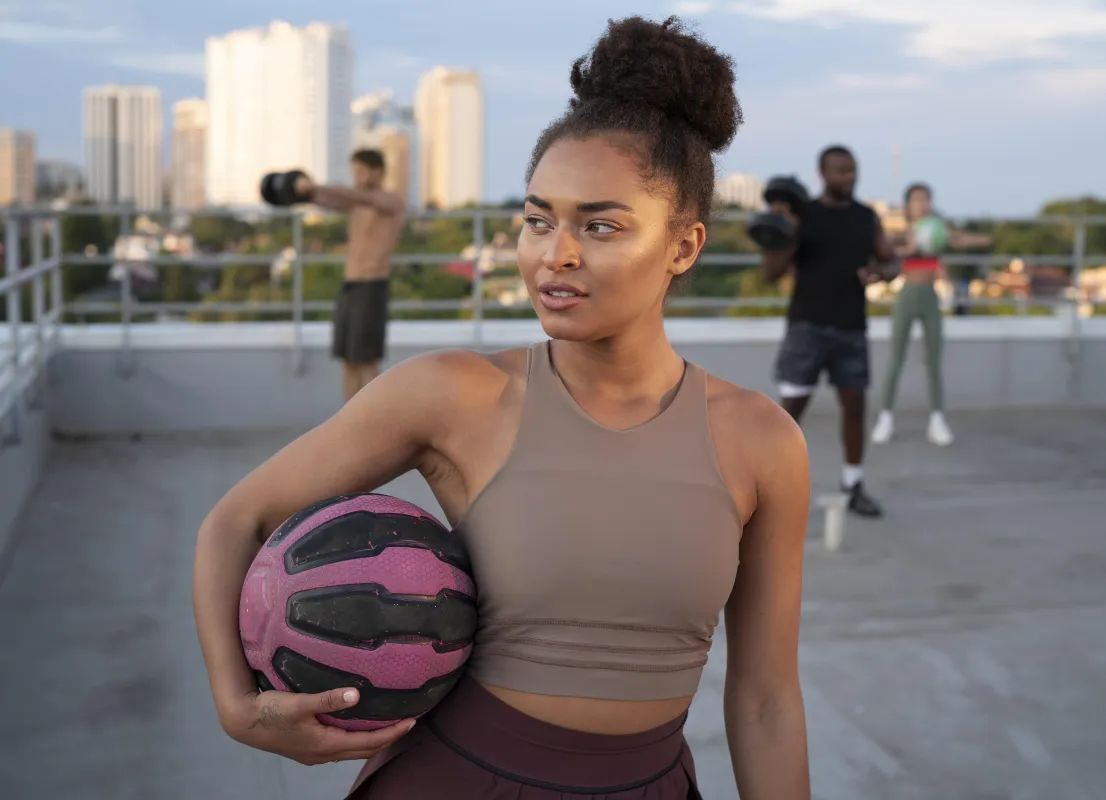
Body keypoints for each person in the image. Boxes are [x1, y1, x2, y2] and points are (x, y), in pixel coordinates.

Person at [194, 16, 811, 800]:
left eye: (601, 225)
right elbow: (234, 523)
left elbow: (764, 702)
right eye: (537, 218)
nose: (557, 253)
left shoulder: (763, 442)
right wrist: (235, 706)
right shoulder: (454, 394)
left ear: (683, 247)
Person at [760, 145, 895, 518]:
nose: (848, 177)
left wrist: (881, 272)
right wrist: (787, 233)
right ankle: (765, 489)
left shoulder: (868, 218)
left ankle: (853, 486)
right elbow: (770, 274)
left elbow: (892, 262)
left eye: (853, 170)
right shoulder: (805, 217)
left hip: (851, 327)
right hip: (807, 326)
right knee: (789, 416)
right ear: (823, 174)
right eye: (840, 171)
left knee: (854, 409)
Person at [871, 183, 991, 447]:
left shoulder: (937, 231)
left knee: (934, 360)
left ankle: (937, 419)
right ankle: (886, 417)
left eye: (926, 199)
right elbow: (886, 250)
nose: (922, 204)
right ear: (908, 205)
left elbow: (958, 239)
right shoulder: (903, 233)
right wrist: (908, 246)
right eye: (916, 199)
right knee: (896, 359)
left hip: (930, 297)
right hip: (907, 295)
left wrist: (986, 239)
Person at [293, 149, 406, 403]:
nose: (357, 176)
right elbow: (329, 199)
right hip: (350, 287)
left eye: (361, 171)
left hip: (371, 287)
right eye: (354, 171)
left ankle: (383, 423)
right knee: (348, 362)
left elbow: (355, 196)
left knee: (367, 363)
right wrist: (305, 192)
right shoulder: (356, 205)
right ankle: (349, 423)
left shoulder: (391, 201)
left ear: (379, 171)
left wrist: (314, 185)